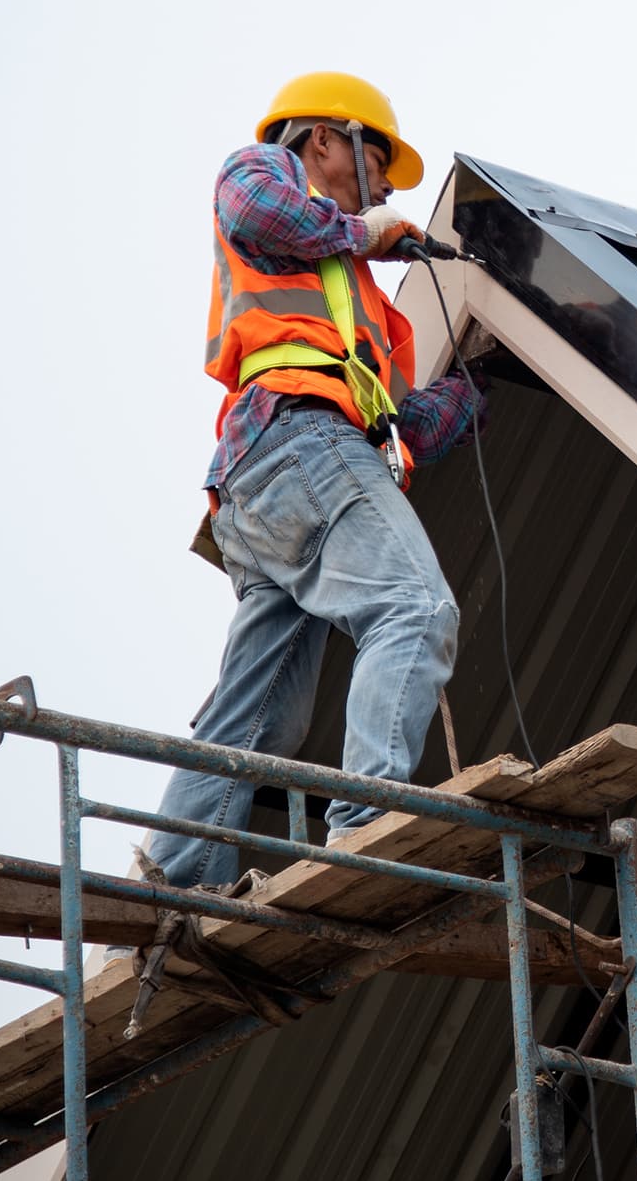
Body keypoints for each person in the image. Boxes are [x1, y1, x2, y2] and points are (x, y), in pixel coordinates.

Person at [145, 72, 482, 892]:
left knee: (263, 708)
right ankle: (365, 820)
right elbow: (260, 213)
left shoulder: (357, 303)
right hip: (295, 442)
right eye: (374, 156)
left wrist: (470, 390)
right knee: (413, 607)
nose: (382, 183)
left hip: (274, 482)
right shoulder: (261, 172)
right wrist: (366, 231)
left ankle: (180, 872)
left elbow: (399, 427)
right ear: (322, 138)